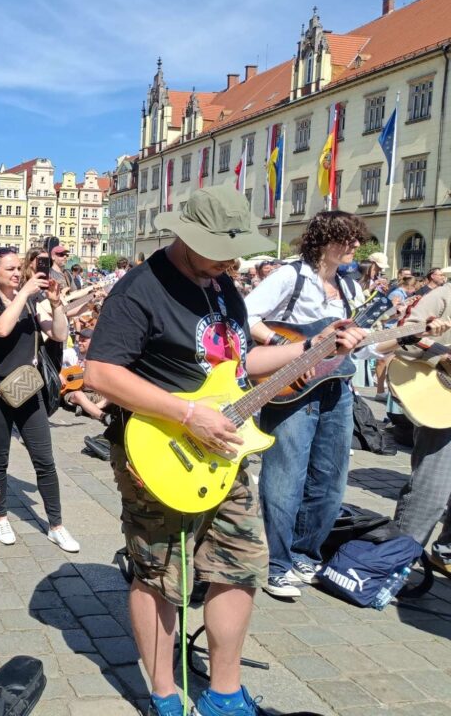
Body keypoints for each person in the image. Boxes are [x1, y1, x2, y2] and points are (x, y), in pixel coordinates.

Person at [83, 185, 364, 716]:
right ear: (186, 238)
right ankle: (164, 692)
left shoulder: (222, 284)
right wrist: (188, 414)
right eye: (222, 249)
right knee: (160, 572)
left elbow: (236, 366)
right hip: (159, 449)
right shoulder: (140, 289)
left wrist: (313, 346)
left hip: (226, 449)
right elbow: (100, 373)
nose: (233, 261)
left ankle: (225, 694)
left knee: (241, 563)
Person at [244, 210, 371, 598]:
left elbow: (361, 346)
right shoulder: (290, 276)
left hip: (338, 386)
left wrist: (386, 340)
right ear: (324, 240)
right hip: (292, 385)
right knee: (285, 476)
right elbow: (246, 314)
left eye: (356, 240)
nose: (354, 246)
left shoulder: (351, 288)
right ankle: (277, 563)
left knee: (331, 477)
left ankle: (305, 551)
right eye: (347, 239)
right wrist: (286, 348)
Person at [0, 248, 79, 553]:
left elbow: (58, 335)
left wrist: (56, 305)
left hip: (27, 387)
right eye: (10, 269)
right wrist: (26, 293)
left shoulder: (31, 300)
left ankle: (56, 525)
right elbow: (1, 328)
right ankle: (1, 516)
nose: (18, 274)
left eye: (19, 268)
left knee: (45, 459)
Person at [376, 285, 451, 576]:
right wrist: (442, 354)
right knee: (431, 490)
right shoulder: (442, 296)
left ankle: (445, 553)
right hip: (440, 401)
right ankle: (397, 561)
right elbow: (400, 335)